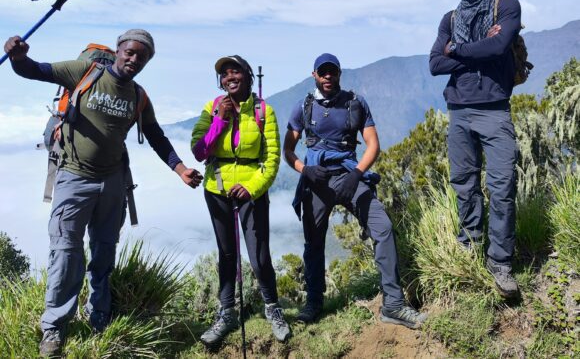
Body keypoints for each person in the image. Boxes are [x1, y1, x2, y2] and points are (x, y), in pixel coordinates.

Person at [3, 29, 203, 357]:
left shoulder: (138, 95)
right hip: (72, 177)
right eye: (130, 52)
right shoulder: (85, 72)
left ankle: (100, 315)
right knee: (66, 254)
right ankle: (53, 328)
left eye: (142, 56)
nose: (134, 59)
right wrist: (18, 56)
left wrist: (180, 169)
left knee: (104, 252)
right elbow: (34, 70)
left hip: (113, 182)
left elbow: (155, 136)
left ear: (146, 61)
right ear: (118, 50)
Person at [283, 53, 427, 329]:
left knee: (382, 227)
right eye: (322, 72)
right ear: (314, 75)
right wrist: (305, 170)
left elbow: (373, 144)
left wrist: (357, 174)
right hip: (316, 179)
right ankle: (314, 302)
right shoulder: (303, 106)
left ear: (339, 74)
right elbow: (288, 150)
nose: (327, 77)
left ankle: (393, 305)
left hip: (350, 175)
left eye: (332, 72)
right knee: (313, 241)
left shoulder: (355, 102)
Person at [429, 0, 521, 298]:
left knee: (502, 186)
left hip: (495, 110)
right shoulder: (450, 18)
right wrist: (471, 50)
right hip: (459, 112)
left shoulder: (506, 6)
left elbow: (499, 46)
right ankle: (470, 245)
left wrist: (457, 51)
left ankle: (501, 261)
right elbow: (434, 64)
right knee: (464, 183)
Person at [191, 55, 290, 345]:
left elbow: (272, 159)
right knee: (227, 254)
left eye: (235, 72)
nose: (229, 77)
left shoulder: (263, 111)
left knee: (259, 254)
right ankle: (227, 313)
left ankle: (272, 308)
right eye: (224, 74)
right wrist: (219, 120)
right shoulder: (211, 109)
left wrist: (252, 188)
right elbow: (199, 151)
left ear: (247, 76)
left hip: (251, 192)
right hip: (216, 188)